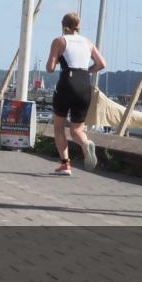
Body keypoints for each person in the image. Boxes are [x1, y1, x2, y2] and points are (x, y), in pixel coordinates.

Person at [45, 12, 106, 176]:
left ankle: (65, 165)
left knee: (59, 128)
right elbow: (102, 63)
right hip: (85, 84)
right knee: (77, 129)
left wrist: (57, 58)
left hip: (67, 83)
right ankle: (85, 143)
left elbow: (50, 68)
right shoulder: (88, 42)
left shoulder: (60, 41)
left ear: (64, 26)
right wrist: (88, 71)